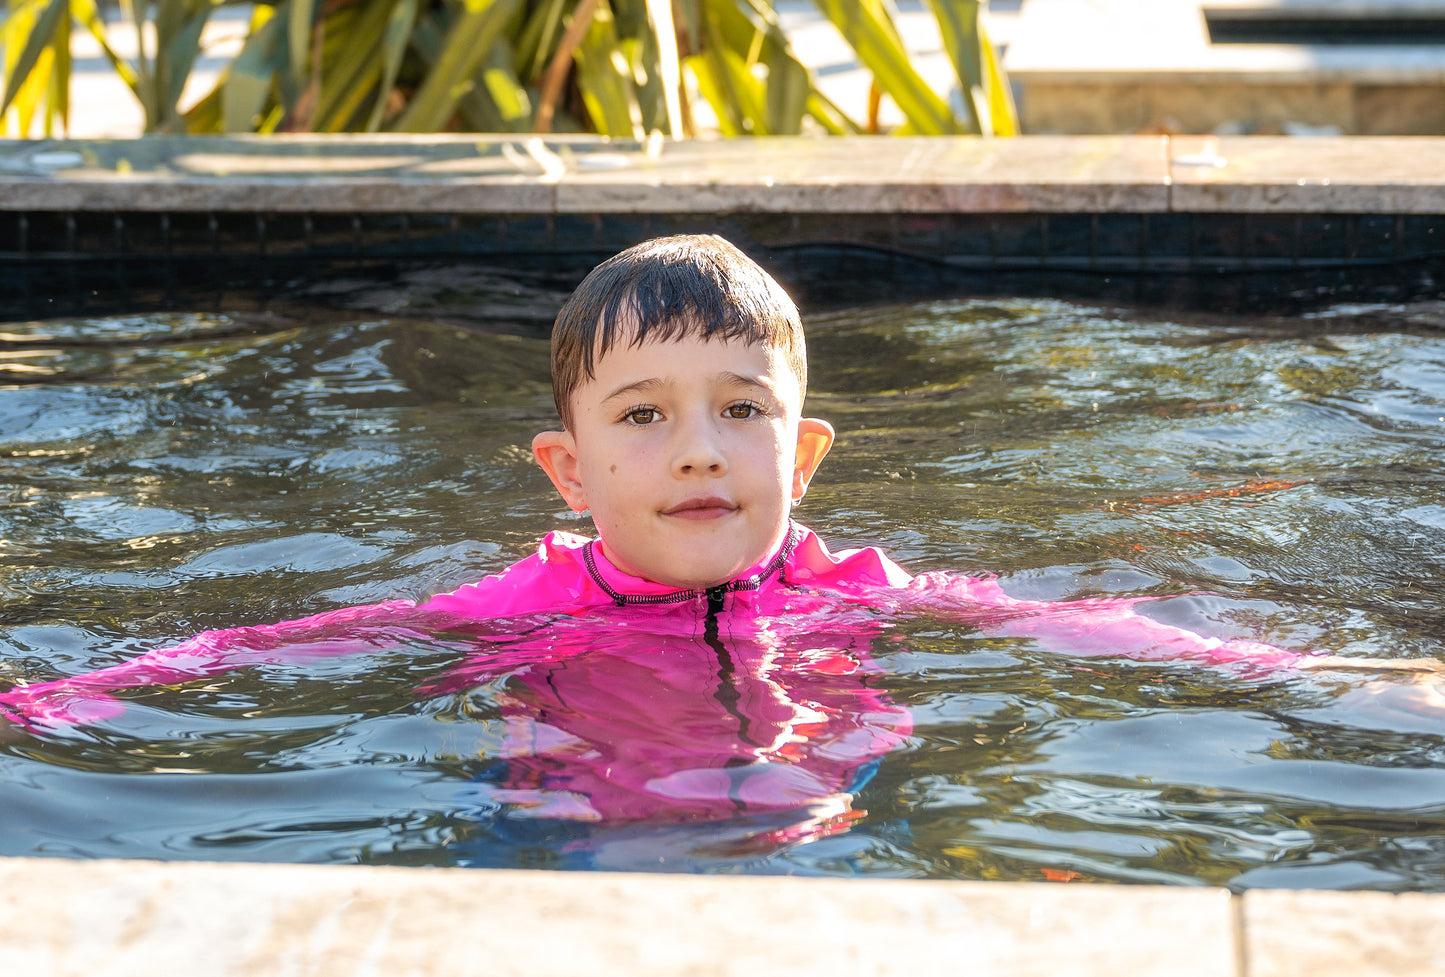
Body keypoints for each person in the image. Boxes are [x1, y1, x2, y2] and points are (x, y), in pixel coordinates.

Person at [1, 234, 1437, 822]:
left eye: (740, 409)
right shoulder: (526, 602)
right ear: (568, 470)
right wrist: (69, 694)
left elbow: (1079, 627)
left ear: (799, 452)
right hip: (586, 835)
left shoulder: (860, 584)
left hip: (819, 830)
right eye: (643, 416)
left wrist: (1312, 676)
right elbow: (300, 639)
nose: (698, 447)